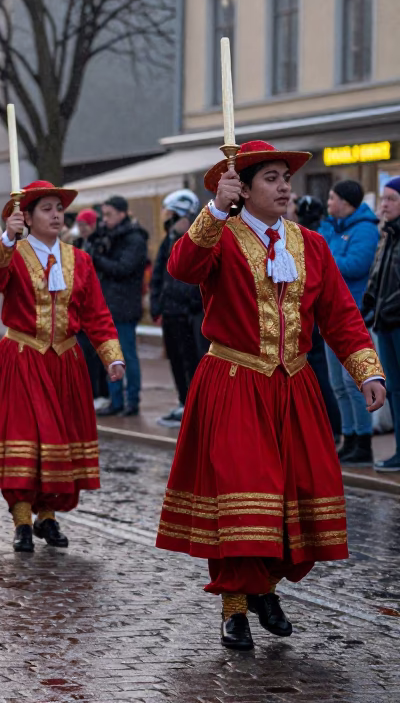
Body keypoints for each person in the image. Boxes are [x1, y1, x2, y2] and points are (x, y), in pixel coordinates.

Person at [156, 140, 385, 651]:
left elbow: (341, 315)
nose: (285, 187)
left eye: (287, 177)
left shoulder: (313, 244)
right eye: (272, 178)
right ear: (244, 189)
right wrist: (215, 208)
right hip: (235, 383)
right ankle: (234, 606)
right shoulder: (220, 236)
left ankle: (266, 586)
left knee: (293, 495)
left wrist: (367, 371)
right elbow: (181, 267)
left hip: (295, 386)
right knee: (242, 495)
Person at [0, 181, 123, 552]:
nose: (56, 215)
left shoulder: (80, 260)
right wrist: (7, 238)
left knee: (59, 440)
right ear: (28, 216)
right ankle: (22, 518)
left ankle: (48, 515)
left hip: (65, 361)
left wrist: (111, 355)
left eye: (59, 208)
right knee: (26, 437)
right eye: (47, 209)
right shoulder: (14, 253)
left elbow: (96, 313)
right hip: (22, 357)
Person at [319, 180, 381, 465]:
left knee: (352, 379)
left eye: (332, 198)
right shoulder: (332, 225)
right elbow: (313, 256)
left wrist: (327, 262)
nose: (328, 202)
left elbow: (357, 264)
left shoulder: (365, 228)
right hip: (327, 312)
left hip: (352, 312)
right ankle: (349, 437)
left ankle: (363, 442)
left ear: (345, 202)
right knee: (337, 383)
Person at [150, 190, 207, 428]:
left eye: (174, 216)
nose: (169, 221)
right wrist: (157, 304)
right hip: (171, 311)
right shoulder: (168, 240)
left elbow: (200, 276)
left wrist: (193, 301)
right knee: (176, 359)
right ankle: (184, 401)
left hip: (189, 313)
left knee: (192, 359)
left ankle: (197, 406)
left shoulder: (197, 239)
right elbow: (158, 275)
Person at [91, 195, 148, 417]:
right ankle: (116, 400)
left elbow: (124, 268)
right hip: (110, 303)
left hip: (124, 305)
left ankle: (131, 400)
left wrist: (98, 259)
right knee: (109, 354)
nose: (105, 220)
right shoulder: (110, 235)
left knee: (127, 355)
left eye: (109, 215)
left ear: (122, 214)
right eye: (103, 215)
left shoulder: (134, 239)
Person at [294, 196, 343, 441]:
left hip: (313, 318)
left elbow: (343, 266)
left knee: (324, 379)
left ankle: (334, 428)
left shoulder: (319, 237)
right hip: (304, 318)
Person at [361, 177, 400, 472]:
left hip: (395, 321)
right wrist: (368, 306)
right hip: (385, 324)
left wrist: (385, 306)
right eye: (384, 199)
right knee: (395, 390)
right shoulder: (388, 235)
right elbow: (376, 277)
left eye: (391, 200)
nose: (384, 205)